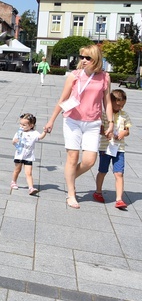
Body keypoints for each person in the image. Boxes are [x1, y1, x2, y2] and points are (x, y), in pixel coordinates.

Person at [44, 44, 113, 209]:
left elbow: (107, 102)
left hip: (93, 122)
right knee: (72, 157)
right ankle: (71, 193)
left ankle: (70, 176)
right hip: (72, 120)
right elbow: (63, 99)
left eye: (87, 58)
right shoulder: (74, 76)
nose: (83, 60)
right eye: (81, 57)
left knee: (90, 160)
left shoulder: (105, 77)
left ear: (96, 59)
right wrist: (51, 120)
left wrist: (110, 123)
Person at [94, 89, 132, 210]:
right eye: (119, 105)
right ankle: (98, 191)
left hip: (119, 148)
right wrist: (106, 132)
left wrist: (124, 133)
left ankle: (119, 199)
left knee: (119, 173)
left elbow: (127, 130)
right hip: (106, 147)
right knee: (103, 170)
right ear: (111, 102)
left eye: (123, 105)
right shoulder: (104, 114)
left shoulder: (124, 115)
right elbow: (100, 129)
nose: (120, 107)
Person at [11, 113, 49, 194]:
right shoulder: (19, 132)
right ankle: (13, 181)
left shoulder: (34, 133)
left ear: (31, 125)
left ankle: (31, 188)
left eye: (24, 125)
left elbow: (40, 137)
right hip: (19, 155)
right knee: (17, 170)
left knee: (29, 173)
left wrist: (44, 132)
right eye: (20, 124)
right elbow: (13, 141)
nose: (21, 126)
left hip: (29, 156)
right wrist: (15, 141)